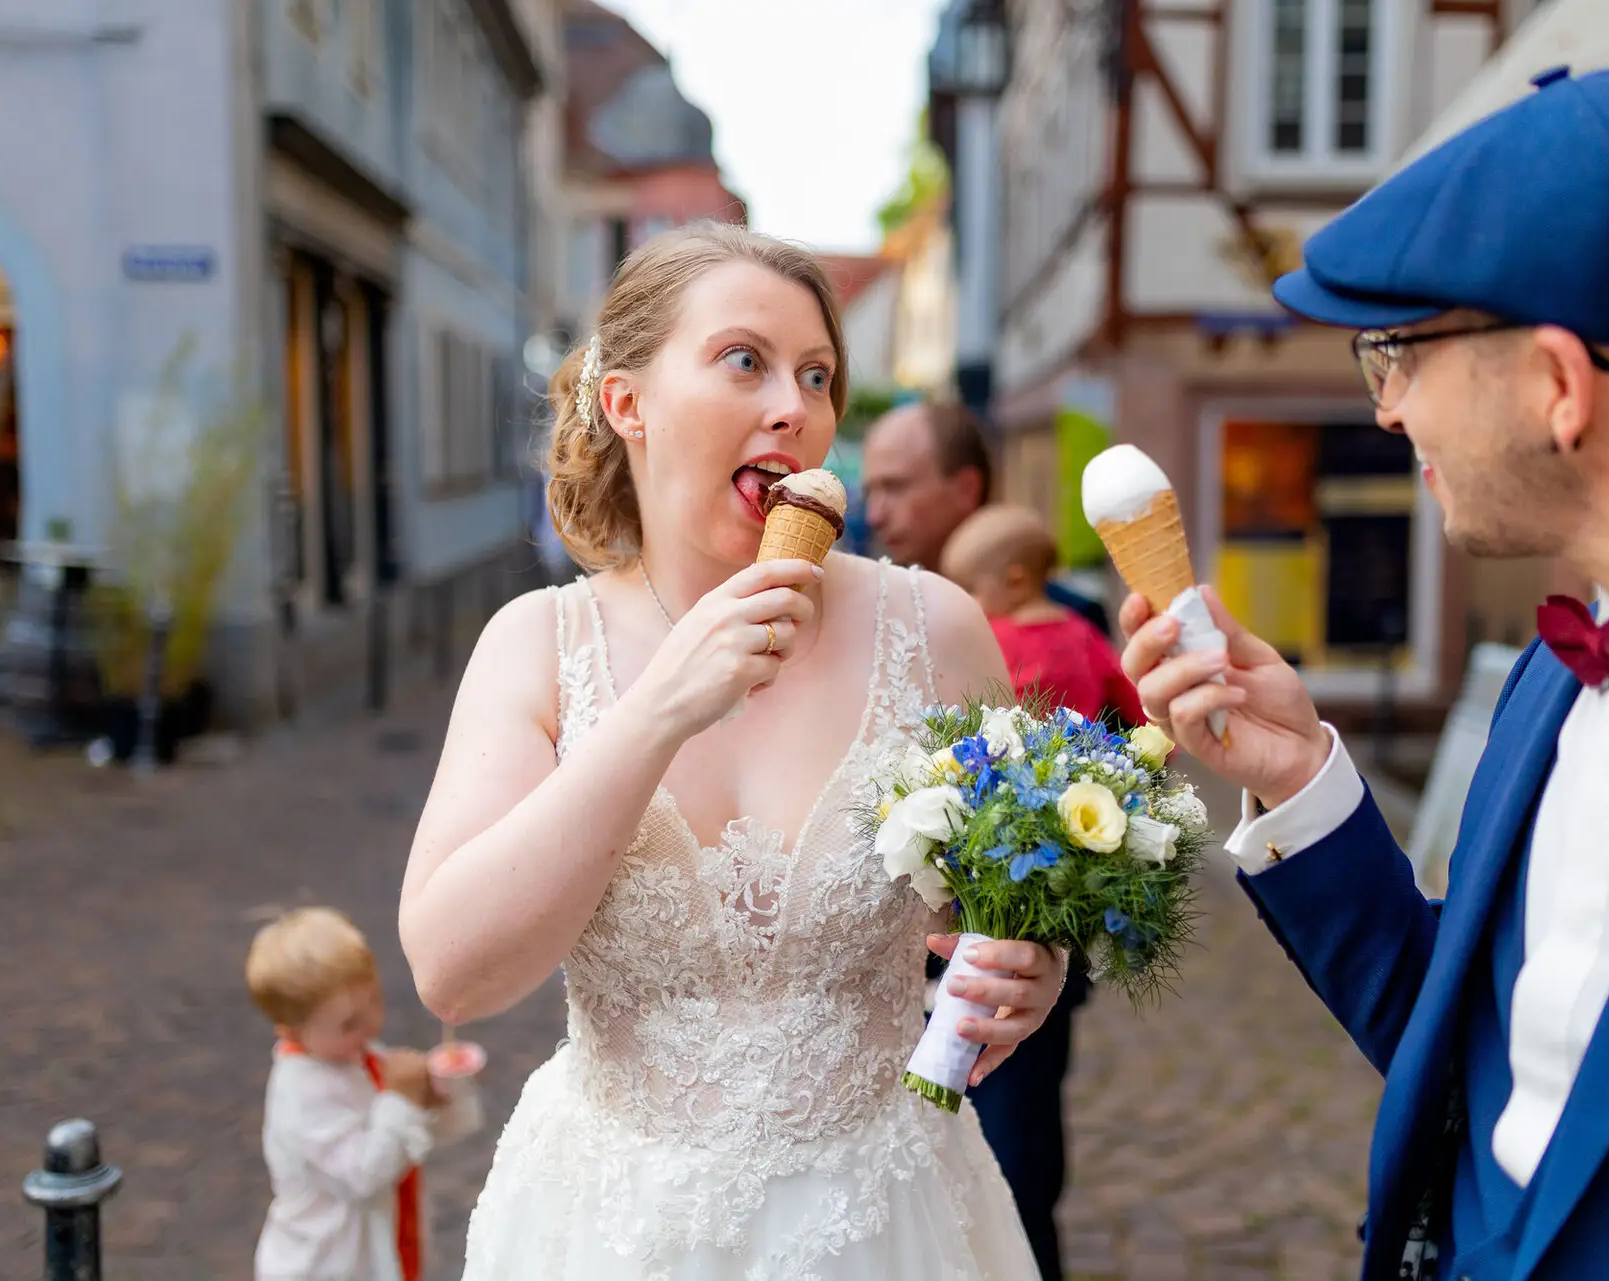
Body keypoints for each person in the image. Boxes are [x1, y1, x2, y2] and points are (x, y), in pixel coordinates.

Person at [1121, 66, 1609, 1280]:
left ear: (1557, 386)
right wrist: (1301, 780)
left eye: (1399, 353)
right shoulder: (1548, 686)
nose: (1390, 412)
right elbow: (1479, 1061)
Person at [399, 222, 1063, 1280]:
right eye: (744, 361)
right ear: (629, 404)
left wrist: (1032, 967)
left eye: (818, 375)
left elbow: (1000, 910)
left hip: (885, 1218)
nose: (795, 409)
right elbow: (454, 974)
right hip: (610, 1228)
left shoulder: (933, 628)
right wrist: (656, 711)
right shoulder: (536, 645)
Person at [863, 410, 1097, 1281]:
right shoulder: (857, 616)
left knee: (1013, 1182)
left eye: (896, 485)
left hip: (1008, 964)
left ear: (965, 490)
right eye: (872, 485)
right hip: (870, 1000)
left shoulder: (1062, 626)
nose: (873, 506)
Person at [247, 906, 478, 1281]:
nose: (370, 1023)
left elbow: (415, 1137)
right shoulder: (301, 1095)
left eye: (374, 999)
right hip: (322, 1267)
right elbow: (363, 1175)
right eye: (348, 1023)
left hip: (378, 1252)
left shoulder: (356, 1055)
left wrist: (436, 1095)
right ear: (291, 1033)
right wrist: (403, 1101)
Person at [861, 400, 1111, 637]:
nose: (875, 516)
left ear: (966, 489)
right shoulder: (872, 614)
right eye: (869, 491)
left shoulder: (1073, 622)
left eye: (895, 487)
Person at [942, 503, 1145, 728]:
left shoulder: (991, 637)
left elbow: (959, 700)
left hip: (1004, 758)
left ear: (1016, 580)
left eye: (971, 589)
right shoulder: (1083, 633)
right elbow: (1133, 696)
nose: (966, 600)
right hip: (1081, 757)